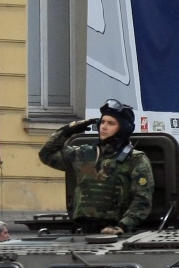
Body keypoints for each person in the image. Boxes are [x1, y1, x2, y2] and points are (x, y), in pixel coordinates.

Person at [38, 100, 153, 233]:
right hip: (84, 230)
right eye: (102, 122)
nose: (104, 127)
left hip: (116, 231)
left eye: (111, 123)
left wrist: (122, 226)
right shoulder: (83, 154)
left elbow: (142, 199)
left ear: (123, 128)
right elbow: (46, 154)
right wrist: (67, 131)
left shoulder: (135, 159)